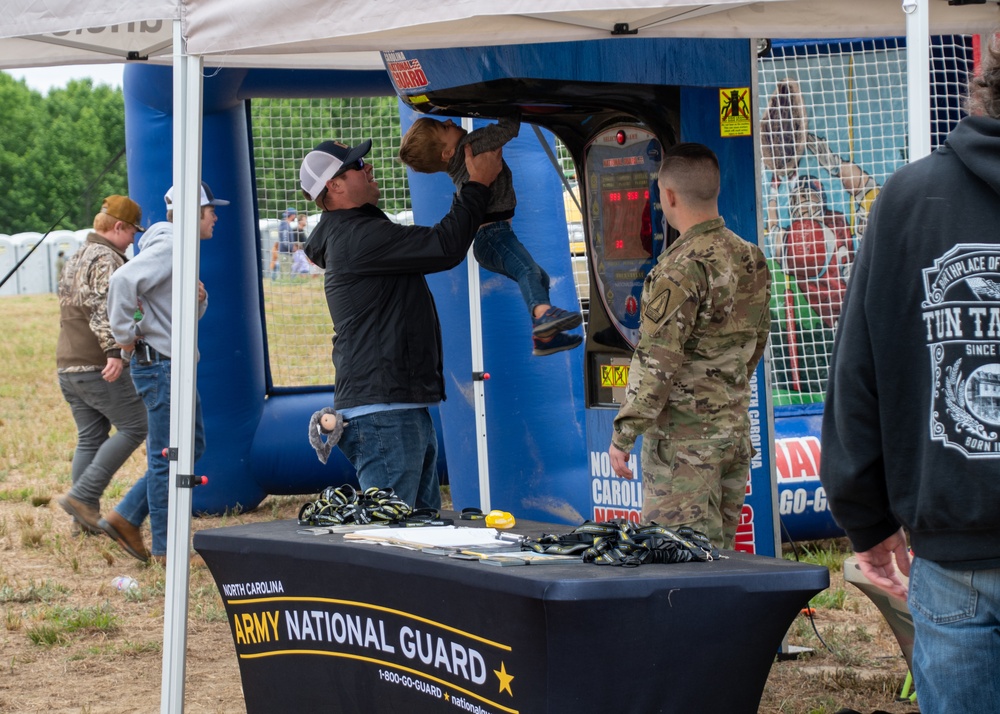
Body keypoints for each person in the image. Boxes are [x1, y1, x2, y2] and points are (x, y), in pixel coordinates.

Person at [819, 41, 1000, 714]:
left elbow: (857, 371)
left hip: (955, 549)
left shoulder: (908, 197)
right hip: (952, 549)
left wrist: (864, 517)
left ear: (977, 93)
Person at [301, 137, 502, 509]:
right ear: (335, 186)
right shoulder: (357, 236)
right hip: (384, 414)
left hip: (395, 409)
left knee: (419, 539)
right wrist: (477, 185)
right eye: (358, 166)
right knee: (390, 543)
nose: (370, 168)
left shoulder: (354, 232)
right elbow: (445, 245)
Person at [607, 143, 771, 549]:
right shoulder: (750, 257)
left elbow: (656, 362)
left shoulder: (679, 268)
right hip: (732, 433)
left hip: (683, 446)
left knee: (677, 562)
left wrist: (624, 434)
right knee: (720, 561)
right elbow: (757, 340)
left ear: (669, 196)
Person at [100, 180, 228, 564]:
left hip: (170, 364)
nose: (216, 217)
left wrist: (197, 301)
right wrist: (124, 338)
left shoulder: (179, 248)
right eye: (211, 211)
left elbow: (169, 316)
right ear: (194, 213)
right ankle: (167, 550)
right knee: (169, 457)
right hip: (161, 367)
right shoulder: (173, 245)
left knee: (192, 447)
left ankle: (125, 516)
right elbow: (122, 281)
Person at [398, 114, 583, 356]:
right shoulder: (473, 145)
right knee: (528, 271)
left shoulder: (456, 167)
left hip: (490, 239)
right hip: (493, 236)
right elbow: (509, 126)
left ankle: (545, 336)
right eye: (445, 127)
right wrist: (502, 102)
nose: (452, 122)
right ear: (447, 153)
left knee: (540, 277)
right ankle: (543, 315)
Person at [55, 196, 149, 537]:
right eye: (133, 233)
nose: (134, 241)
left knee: (91, 437)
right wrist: (114, 350)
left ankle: (83, 519)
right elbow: (102, 307)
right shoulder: (107, 258)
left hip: (67, 363)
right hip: (97, 363)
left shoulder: (77, 255)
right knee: (137, 425)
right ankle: (82, 496)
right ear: (119, 227)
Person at [274, 207, 296, 279]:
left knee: (285, 273)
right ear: (292, 215)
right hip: (285, 254)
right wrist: (291, 248)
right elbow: (285, 240)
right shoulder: (285, 226)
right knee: (286, 274)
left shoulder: (284, 225)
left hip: (285, 253)